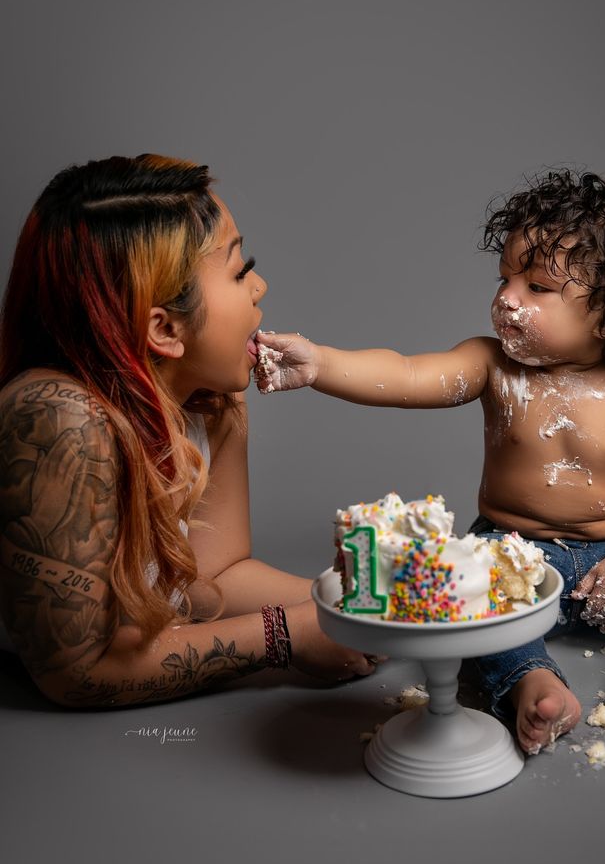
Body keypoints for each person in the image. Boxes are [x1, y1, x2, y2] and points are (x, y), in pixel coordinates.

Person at [255, 169, 605, 753]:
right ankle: (532, 682)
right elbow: (406, 375)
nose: (506, 298)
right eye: (505, 278)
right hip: (509, 553)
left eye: (537, 287)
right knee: (471, 607)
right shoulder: (490, 365)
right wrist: (320, 364)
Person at [0, 153, 377, 708]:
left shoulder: (213, 406)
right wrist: (286, 635)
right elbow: (74, 673)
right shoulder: (57, 419)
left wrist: (365, 607)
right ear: (166, 328)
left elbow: (214, 576)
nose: (260, 286)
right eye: (240, 270)